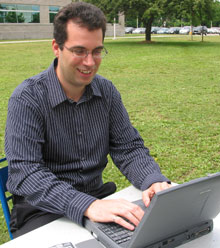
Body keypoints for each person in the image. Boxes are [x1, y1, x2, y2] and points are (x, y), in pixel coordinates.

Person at [5, 2, 171, 238]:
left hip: (98, 200)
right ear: (56, 47)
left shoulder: (106, 91)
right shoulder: (27, 99)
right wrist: (87, 206)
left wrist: (153, 181)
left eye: (96, 51)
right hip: (43, 212)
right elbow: (26, 174)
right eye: (79, 51)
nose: (90, 62)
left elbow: (128, 147)